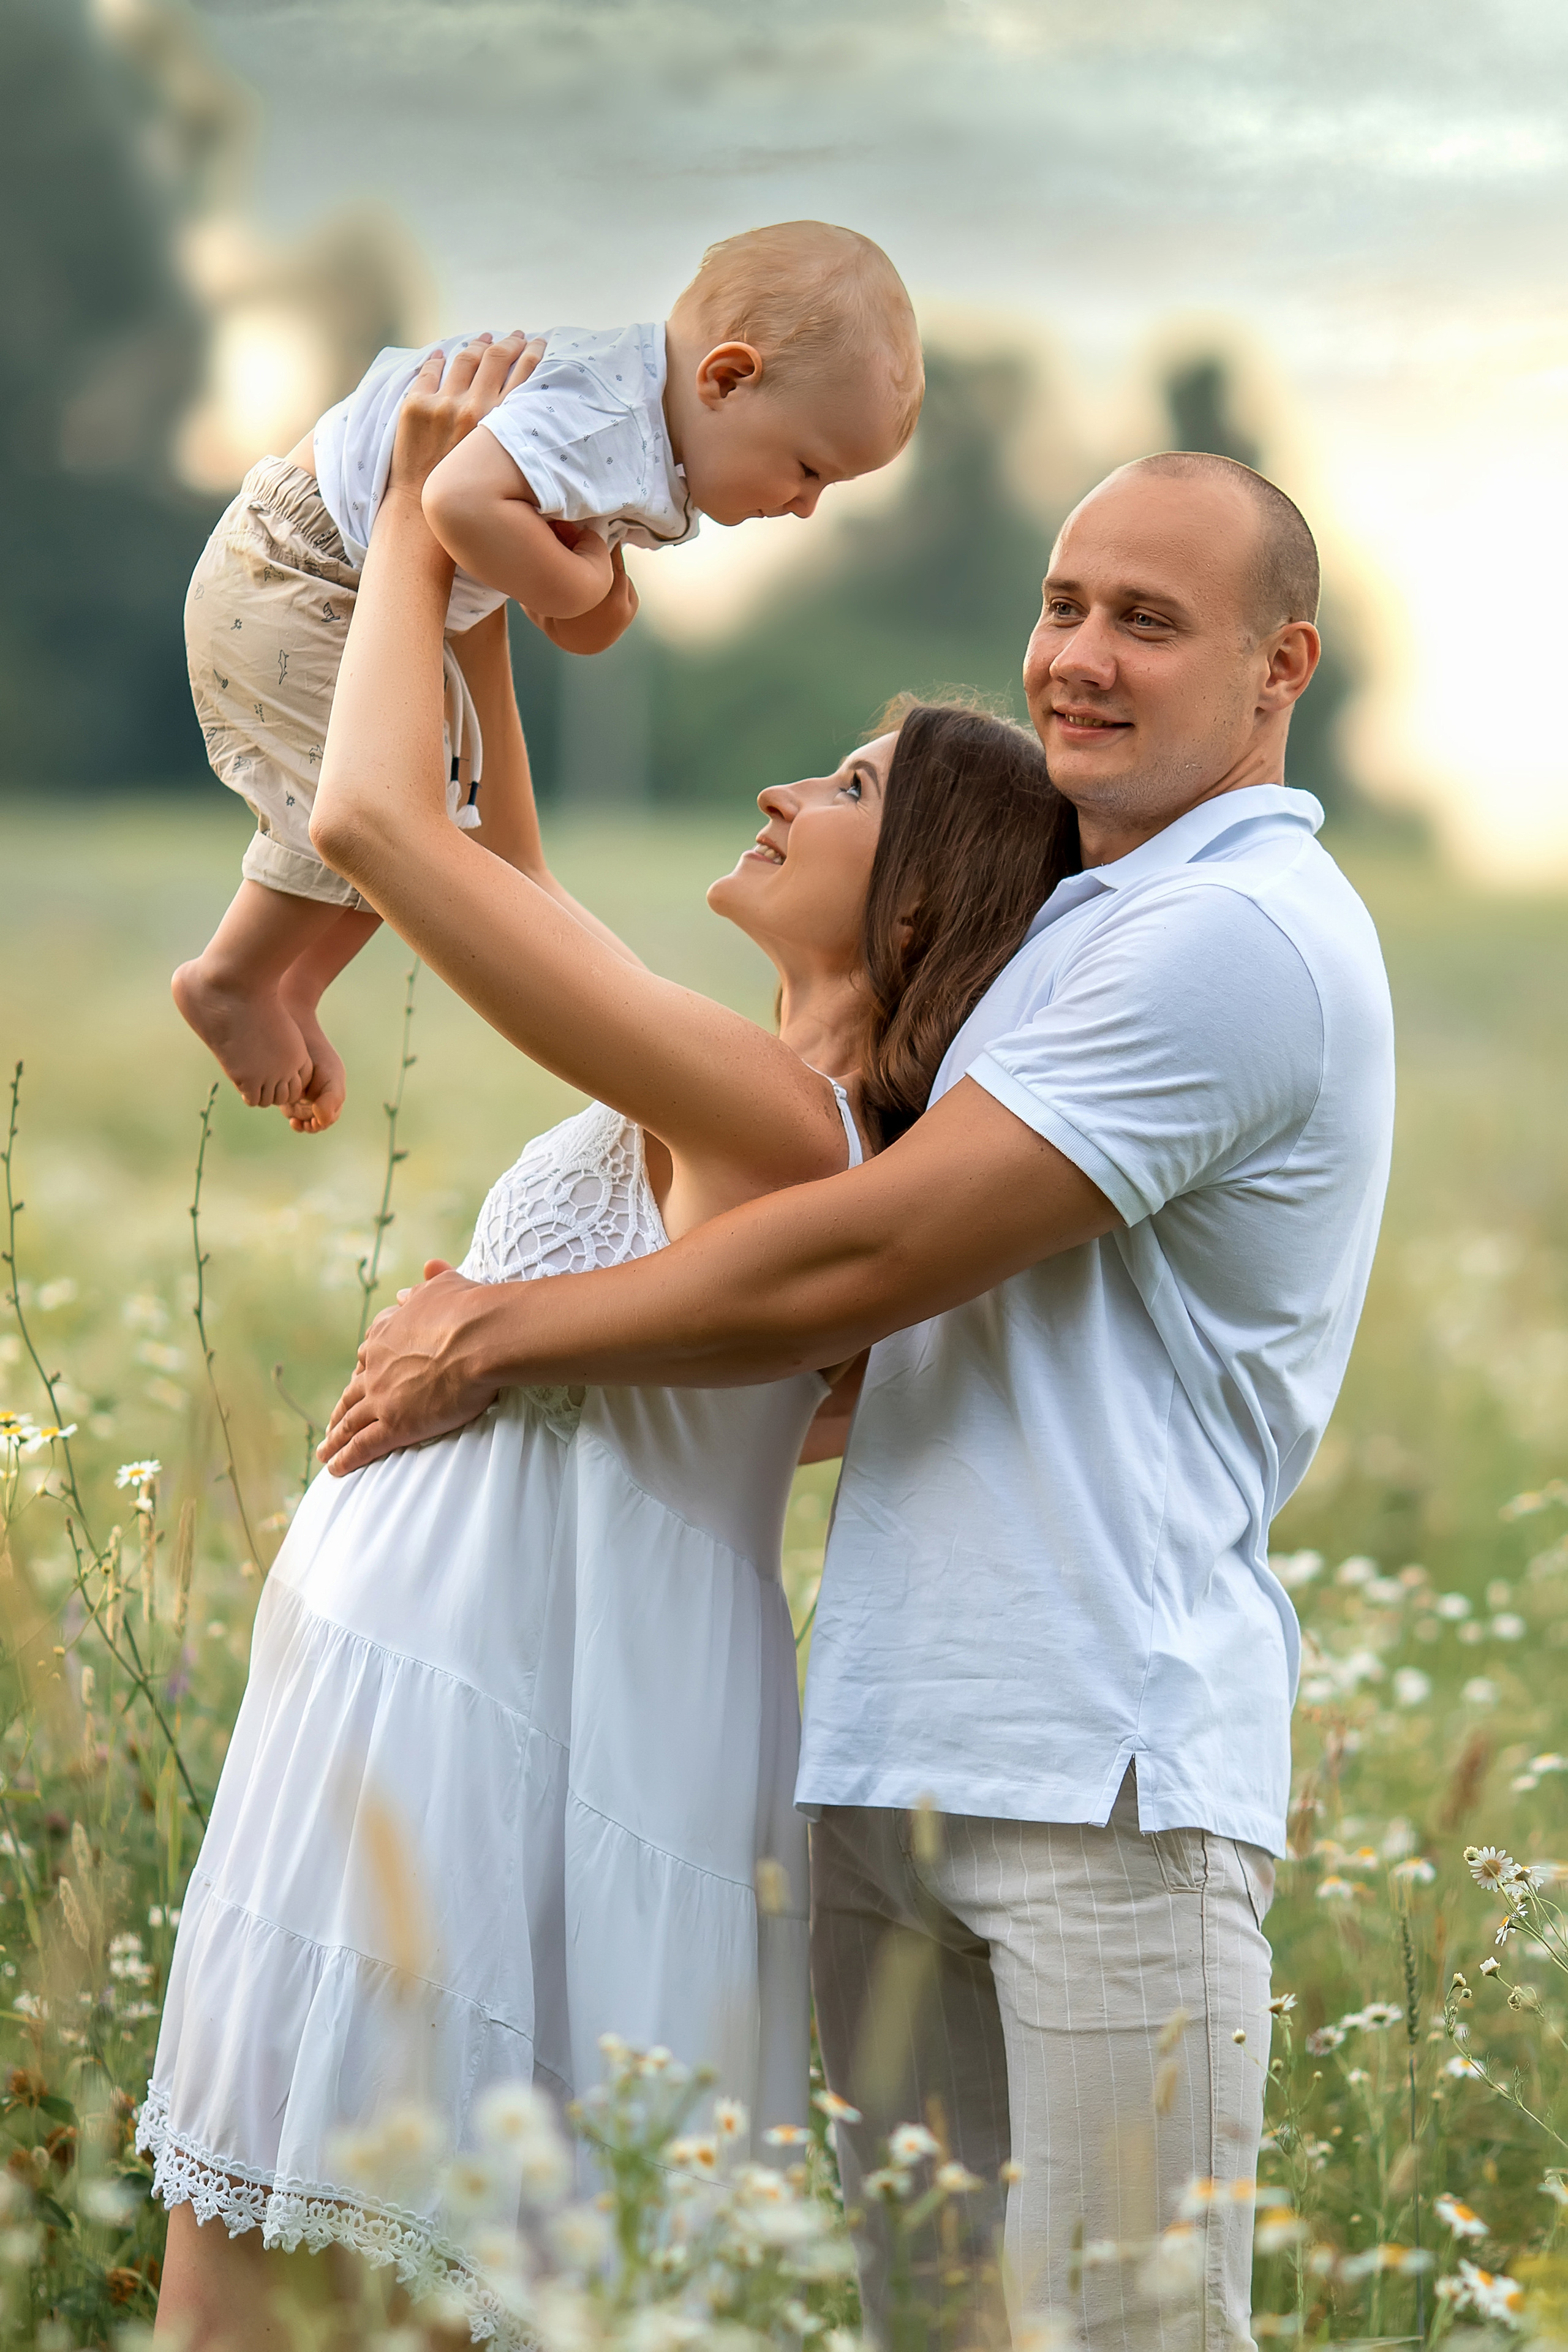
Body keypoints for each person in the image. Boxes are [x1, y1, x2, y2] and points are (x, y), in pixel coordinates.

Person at [320, 451, 1398, 2345]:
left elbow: (867, 1253)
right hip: (890, 1745)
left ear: (1277, 664)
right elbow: (919, 1314)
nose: (1080, 655)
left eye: (1149, 620)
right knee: (931, 2322)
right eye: (1065, 604)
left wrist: (487, 1337)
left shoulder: (1235, 933)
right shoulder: (1077, 928)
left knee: (1132, 2325)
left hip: (1104, 1771)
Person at [143, 334, 1078, 2351]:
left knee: (316, 2280)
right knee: (377, 2248)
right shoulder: (753, 1095)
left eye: (841, 789)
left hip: (522, 1685)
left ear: (913, 916)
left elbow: (392, 832)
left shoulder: (780, 1124)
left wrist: (409, 510)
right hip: (491, 1661)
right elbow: (525, 892)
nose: (778, 783)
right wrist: (483, 619)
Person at [172, 222, 924, 1134]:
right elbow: (452, 500)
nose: (805, 505)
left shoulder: (654, 444)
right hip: (303, 570)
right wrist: (579, 579)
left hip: (356, 582)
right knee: (377, 804)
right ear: (726, 379)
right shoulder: (611, 420)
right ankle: (235, 977)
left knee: (427, 813)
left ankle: (292, 986)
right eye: (809, 468)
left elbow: (564, 612)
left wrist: (587, 590)